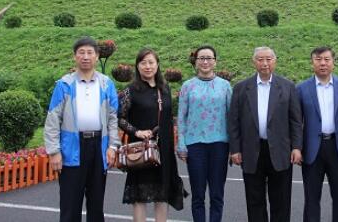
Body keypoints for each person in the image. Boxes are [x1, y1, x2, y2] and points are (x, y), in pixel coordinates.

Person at [44, 36, 120, 222]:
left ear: (97, 56)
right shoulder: (64, 85)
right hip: (71, 149)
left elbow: (112, 118)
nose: (86, 57)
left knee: (96, 204)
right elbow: (53, 119)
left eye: (90, 53)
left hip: (98, 147)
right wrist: (54, 151)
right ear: (75, 56)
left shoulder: (106, 84)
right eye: (81, 52)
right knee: (70, 205)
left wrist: (112, 146)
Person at [228, 46, 303, 222]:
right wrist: (235, 149)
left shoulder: (287, 86)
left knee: (281, 200)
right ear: (254, 62)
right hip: (251, 150)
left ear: (275, 61)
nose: (265, 63)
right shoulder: (241, 88)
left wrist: (297, 147)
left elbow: (295, 121)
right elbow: (233, 122)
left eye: (268, 59)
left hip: (280, 150)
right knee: (254, 199)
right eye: (260, 59)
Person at [118, 48, 185, 222]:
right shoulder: (130, 90)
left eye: (151, 62)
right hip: (141, 149)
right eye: (143, 63)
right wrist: (137, 131)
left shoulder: (165, 88)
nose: (147, 66)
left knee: (162, 194)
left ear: (157, 65)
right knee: (139, 195)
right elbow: (119, 118)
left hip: (164, 148)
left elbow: (168, 117)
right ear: (137, 66)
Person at [297, 46, 338, 222]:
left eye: (326, 59)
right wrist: (296, 148)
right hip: (312, 149)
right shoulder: (301, 89)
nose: (322, 63)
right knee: (311, 199)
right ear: (312, 63)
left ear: (333, 62)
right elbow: (296, 122)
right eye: (318, 59)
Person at [177, 45, 231, 222]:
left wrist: (234, 146)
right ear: (196, 61)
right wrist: (181, 144)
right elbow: (182, 117)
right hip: (195, 145)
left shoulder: (225, 86)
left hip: (220, 145)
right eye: (201, 58)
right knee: (198, 194)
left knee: (217, 194)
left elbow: (231, 117)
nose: (205, 62)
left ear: (215, 61)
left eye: (209, 58)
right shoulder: (187, 86)